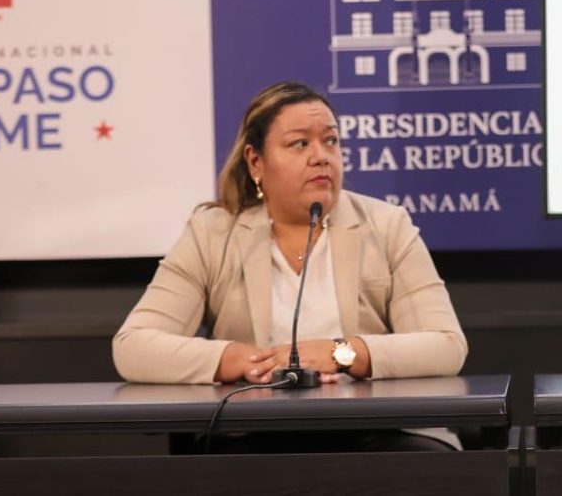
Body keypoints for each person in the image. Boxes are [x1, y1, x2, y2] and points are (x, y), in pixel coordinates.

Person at [114, 81, 467, 450]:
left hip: (378, 431)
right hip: (252, 433)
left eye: (330, 141)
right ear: (256, 161)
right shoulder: (213, 232)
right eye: (300, 143)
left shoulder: (386, 225)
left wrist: (341, 353)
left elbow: (446, 346)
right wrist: (241, 360)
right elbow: (133, 346)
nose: (321, 156)